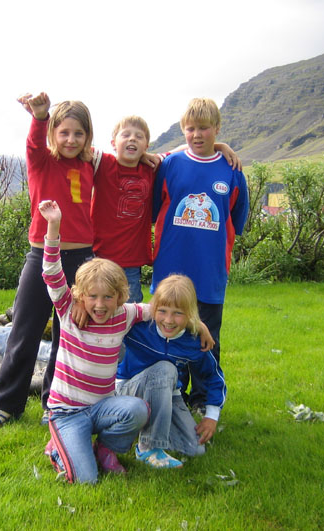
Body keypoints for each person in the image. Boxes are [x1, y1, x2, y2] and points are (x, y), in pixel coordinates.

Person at [0, 93, 96, 428]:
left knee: (68, 334)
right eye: (64, 133)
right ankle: (6, 405)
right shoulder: (41, 161)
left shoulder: (92, 164)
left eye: (79, 133)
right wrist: (41, 114)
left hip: (81, 261)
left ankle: (54, 403)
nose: (71, 140)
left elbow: (129, 159)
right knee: (25, 330)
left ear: (88, 136)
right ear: (53, 135)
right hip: (41, 257)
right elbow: (34, 140)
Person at [38, 199, 151, 484]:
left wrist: (195, 322)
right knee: (87, 480)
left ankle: (106, 449)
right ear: (80, 296)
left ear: (120, 297)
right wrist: (53, 225)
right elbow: (52, 272)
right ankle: (58, 449)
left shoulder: (124, 315)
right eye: (93, 297)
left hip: (102, 407)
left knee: (138, 410)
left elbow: (158, 310)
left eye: (108, 297)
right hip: (67, 413)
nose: (100, 305)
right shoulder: (68, 311)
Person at [151, 97, 249, 411]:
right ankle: (172, 397)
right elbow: (155, 209)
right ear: (183, 130)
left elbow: (238, 219)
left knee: (207, 340)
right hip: (170, 270)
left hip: (210, 272)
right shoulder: (170, 165)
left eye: (204, 128)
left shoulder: (231, 170)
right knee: (169, 335)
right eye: (190, 128)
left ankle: (204, 399)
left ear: (216, 129)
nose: (197, 134)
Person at [91, 116, 241, 303]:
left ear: (147, 146)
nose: (132, 139)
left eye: (139, 136)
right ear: (113, 142)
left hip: (131, 263)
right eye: (126, 135)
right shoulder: (102, 163)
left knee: (129, 315)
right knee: (95, 308)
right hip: (98, 256)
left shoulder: (151, 167)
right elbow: (78, 147)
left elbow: (184, 149)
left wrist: (219, 146)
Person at [116, 274, 226, 468]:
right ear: (153, 309)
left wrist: (211, 416)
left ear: (190, 313)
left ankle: (147, 428)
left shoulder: (193, 341)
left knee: (195, 448)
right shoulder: (138, 327)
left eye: (178, 313)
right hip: (129, 390)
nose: (168, 320)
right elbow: (106, 315)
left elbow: (213, 377)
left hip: (169, 394)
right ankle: (148, 447)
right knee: (165, 370)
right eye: (163, 311)